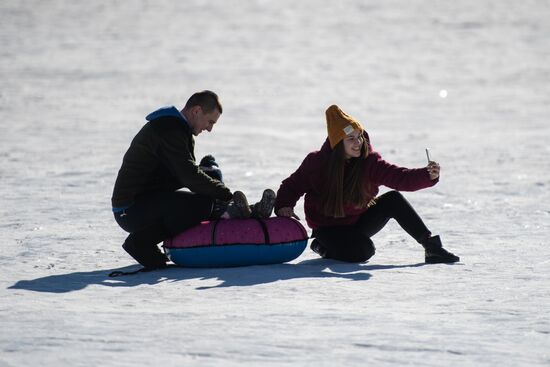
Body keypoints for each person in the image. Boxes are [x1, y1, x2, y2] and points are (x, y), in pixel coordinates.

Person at [274, 105, 459, 264]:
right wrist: (284, 205)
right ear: (338, 143)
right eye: (351, 139)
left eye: (359, 136)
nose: (358, 143)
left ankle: (431, 247)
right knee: (363, 252)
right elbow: (292, 185)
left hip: (357, 222)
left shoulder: (369, 162)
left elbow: (401, 178)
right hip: (327, 229)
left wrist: (427, 175)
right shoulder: (317, 162)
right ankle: (320, 246)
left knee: (393, 199)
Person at [111, 90, 275, 270]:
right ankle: (140, 243)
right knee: (200, 205)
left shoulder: (177, 129)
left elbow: (181, 174)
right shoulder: (168, 129)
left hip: (148, 200)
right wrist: (226, 194)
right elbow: (188, 176)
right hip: (131, 210)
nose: (210, 128)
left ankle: (241, 211)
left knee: (206, 189)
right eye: (210, 121)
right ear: (196, 111)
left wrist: (209, 175)